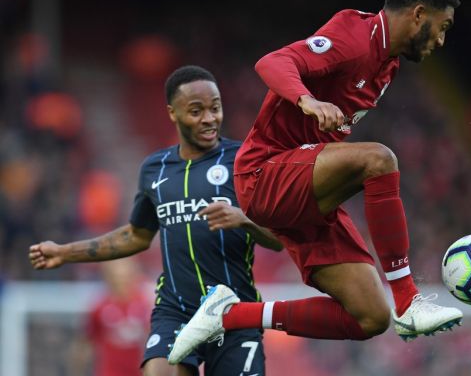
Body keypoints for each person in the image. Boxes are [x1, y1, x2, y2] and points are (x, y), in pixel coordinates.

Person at [169, 0, 463, 363]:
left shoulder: (387, 63)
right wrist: (307, 100)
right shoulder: (355, 36)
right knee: (379, 159)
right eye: (442, 26)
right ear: (418, 14)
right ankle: (410, 299)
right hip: (264, 173)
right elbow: (271, 62)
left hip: (303, 189)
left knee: (370, 316)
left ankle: (229, 315)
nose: (442, 40)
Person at [29, 65, 283, 376]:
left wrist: (243, 220)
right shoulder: (155, 169)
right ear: (172, 113)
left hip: (236, 310)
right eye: (196, 110)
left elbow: (281, 239)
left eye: (215, 108)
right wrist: (65, 252)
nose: (209, 118)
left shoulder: (243, 161)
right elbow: (136, 236)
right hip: (177, 308)